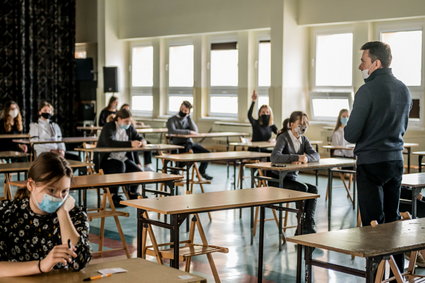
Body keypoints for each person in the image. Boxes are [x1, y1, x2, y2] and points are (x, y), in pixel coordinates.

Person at [344, 41, 411, 273]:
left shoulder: (367, 91)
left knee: (372, 224)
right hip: (395, 160)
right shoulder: (404, 89)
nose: (360, 65)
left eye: (363, 61)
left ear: (376, 63)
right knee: (393, 222)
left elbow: (351, 134)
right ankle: (396, 273)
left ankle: (374, 274)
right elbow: (403, 125)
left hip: (371, 163)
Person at [0, 152, 91, 277]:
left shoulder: (74, 215)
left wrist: (63, 213)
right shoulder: (7, 214)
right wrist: (41, 265)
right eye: (51, 190)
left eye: (64, 191)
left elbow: (79, 262)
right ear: (31, 185)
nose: (59, 197)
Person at [270, 111, 319, 234]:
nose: (303, 126)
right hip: (278, 180)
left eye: (305, 124)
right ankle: (302, 227)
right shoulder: (283, 137)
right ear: (291, 124)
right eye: (300, 123)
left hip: (291, 179)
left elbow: (316, 155)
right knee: (302, 188)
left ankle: (307, 224)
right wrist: (296, 157)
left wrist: (307, 158)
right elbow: (275, 157)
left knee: (313, 189)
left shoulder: (304, 139)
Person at [96, 108, 147, 207]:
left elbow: (139, 136)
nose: (128, 123)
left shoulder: (129, 128)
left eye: (129, 121)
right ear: (118, 119)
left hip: (122, 158)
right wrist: (130, 143)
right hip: (107, 160)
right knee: (120, 166)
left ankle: (132, 193)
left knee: (138, 171)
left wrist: (142, 141)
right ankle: (113, 195)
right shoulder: (108, 127)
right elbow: (109, 143)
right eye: (126, 121)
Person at [166, 101, 213, 180]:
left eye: (185, 111)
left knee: (206, 153)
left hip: (189, 143)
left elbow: (195, 130)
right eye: (182, 109)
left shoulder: (187, 119)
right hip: (178, 144)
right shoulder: (171, 119)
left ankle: (202, 171)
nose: (183, 112)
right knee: (189, 153)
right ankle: (177, 169)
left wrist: (189, 118)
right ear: (180, 107)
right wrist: (188, 132)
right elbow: (173, 131)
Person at [119, 104, 153, 171]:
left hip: (132, 141)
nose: (127, 111)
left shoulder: (130, 125)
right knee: (134, 146)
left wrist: (142, 141)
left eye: (128, 109)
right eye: (125, 109)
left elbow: (138, 136)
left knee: (146, 143)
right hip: (123, 150)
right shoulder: (118, 125)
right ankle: (137, 163)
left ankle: (147, 165)